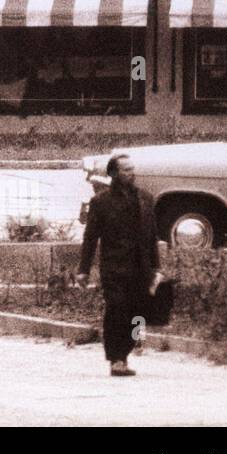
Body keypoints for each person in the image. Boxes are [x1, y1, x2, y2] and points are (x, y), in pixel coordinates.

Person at [75, 153, 163, 377]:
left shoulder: (145, 199)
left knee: (137, 312)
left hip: (140, 267)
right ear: (113, 173)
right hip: (114, 267)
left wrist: (156, 267)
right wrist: (83, 270)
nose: (131, 173)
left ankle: (129, 348)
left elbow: (152, 236)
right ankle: (116, 358)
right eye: (125, 170)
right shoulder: (101, 202)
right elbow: (90, 237)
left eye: (132, 169)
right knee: (116, 310)